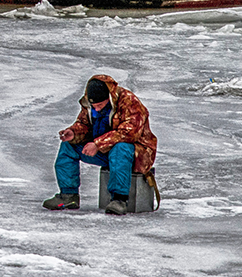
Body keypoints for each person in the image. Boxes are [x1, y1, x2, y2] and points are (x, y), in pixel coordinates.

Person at [42, 75, 157, 216]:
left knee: (120, 149)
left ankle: (119, 200)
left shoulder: (129, 102)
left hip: (136, 154)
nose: (96, 109)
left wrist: (97, 144)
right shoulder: (90, 104)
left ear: (109, 97)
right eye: (94, 106)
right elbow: (84, 124)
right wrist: (73, 132)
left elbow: (129, 133)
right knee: (68, 146)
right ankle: (68, 196)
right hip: (105, 150)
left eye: (100, 106)